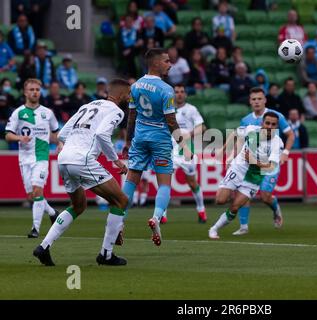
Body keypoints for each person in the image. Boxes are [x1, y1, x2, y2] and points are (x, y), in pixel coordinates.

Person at [32, 79, 131, 266]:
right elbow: (102, 134)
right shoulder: (115, 111)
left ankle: (43, 247)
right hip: (82, 159)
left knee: (78, 205)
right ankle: (106, 254)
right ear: (121, 95)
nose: (130, 98)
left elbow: (62, 134)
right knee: (122, 200)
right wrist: (115, 161)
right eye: (129, 95)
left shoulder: (87, 105)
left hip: (64, 158)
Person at [121, 48, 188, 247]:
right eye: (167, 61)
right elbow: (171, 121)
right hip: (160, 139)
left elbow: (131, 115)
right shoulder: (166, 89)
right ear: (156, 63)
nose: (170, 64)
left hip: (140, 138)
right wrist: (183, 144)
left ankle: (119, 220)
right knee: (164, 183)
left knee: (131, 180)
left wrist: (127, 140)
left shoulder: (135, 86)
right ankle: (157, 218)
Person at [208, 112, 284, 239]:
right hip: (238, 169)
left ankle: (214, 229)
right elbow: (235, 133)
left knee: (235, 207)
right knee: (220, 200)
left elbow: (271, 167)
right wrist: (224, 149)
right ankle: (232, 194)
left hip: (253, 178)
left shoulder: (278, 143)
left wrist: (254, 161)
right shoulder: (251, 129)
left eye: (273, 124)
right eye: (267, 123)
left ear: (277, 127)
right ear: (262, 124)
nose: (270, 126)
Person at [232, 87, 295, 235]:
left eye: (259, 99)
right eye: (253, 99)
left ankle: (275, 209)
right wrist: (235, 157)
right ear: (250, 101)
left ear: (265, 100)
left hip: (269, 163)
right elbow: (240, 139)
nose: (256, 102)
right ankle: (243, 227)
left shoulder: (276, 116)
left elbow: (291, 135)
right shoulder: (246, 120)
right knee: (244, 192)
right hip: (251, 163)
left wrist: (285, 152)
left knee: (265, 197)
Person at [5, 79, 59, 238]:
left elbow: (56, 132)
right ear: (25, 92)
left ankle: (35, 229)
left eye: (37, 89)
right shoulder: (18, 113)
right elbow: (7, 135)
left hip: (41, 157)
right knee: (32, 196)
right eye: (32, 89)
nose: (35, 92)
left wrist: (61, 143)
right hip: (24, 159)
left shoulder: (48, 113)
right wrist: (19, 138)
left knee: (37, 190)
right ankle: (52, 212)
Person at [162, 84, 207, 223]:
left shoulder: (191, 109)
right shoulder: (166, 109)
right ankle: (162, 214)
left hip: (186, 150)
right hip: (169, 150)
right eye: (176, 92)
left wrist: (190, 134)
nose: (179, 94)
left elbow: (202, 127)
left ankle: (201, 210)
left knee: (192, 183)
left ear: (185, 94)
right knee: (164, 182)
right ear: (172, 94)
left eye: (182, 92)